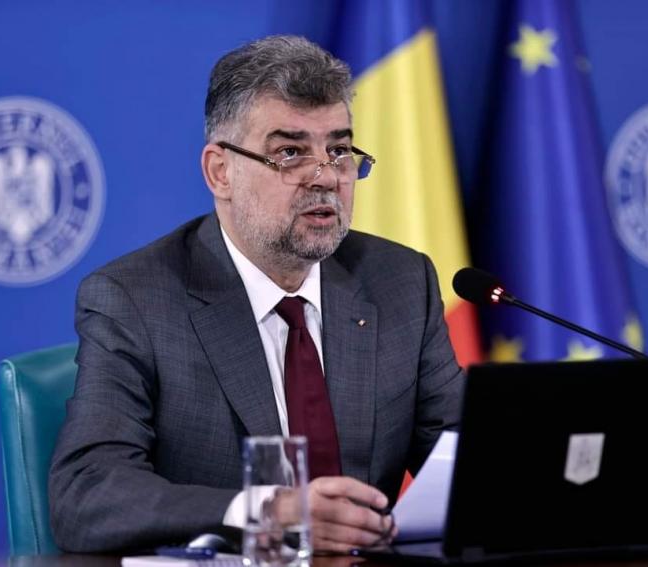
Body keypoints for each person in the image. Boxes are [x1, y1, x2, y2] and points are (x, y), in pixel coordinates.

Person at [49, 35, 464, 554]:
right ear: (220, 172)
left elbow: (466, 463)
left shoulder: (399, 282)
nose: (325, 178)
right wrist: (266, 513)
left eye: (338, 151)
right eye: (290, 153)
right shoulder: (136, 299)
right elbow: (87, 494)